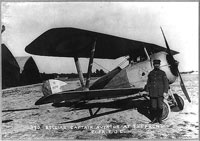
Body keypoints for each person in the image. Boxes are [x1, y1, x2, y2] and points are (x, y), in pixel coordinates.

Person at [146, 59, 169, 124]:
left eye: (158, 64)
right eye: (155, 64)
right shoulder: (151, 73)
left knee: (160, 106)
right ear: (153, 65)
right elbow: (148, 83)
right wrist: (147, 91)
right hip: (152, 93)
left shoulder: (162, 73)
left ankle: (160, 119)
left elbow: (166, 83)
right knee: (153, 107)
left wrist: (165, 91)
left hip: (160, 93)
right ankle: (154, 118)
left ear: (159, 65)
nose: (156, 65)